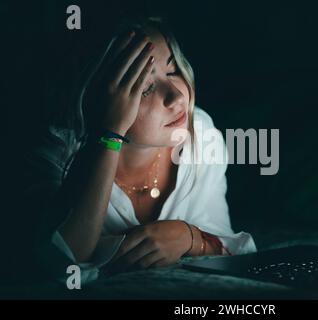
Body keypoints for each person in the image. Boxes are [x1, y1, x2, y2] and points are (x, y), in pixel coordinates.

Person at [20, 17, 256, 284]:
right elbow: (61, 262)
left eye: (173, 70)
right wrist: (110, 133)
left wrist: (189, 237)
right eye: (144, 88)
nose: (176, 96)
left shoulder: (201, 134)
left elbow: (227, 247)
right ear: (97, 101)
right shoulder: (56, 155)